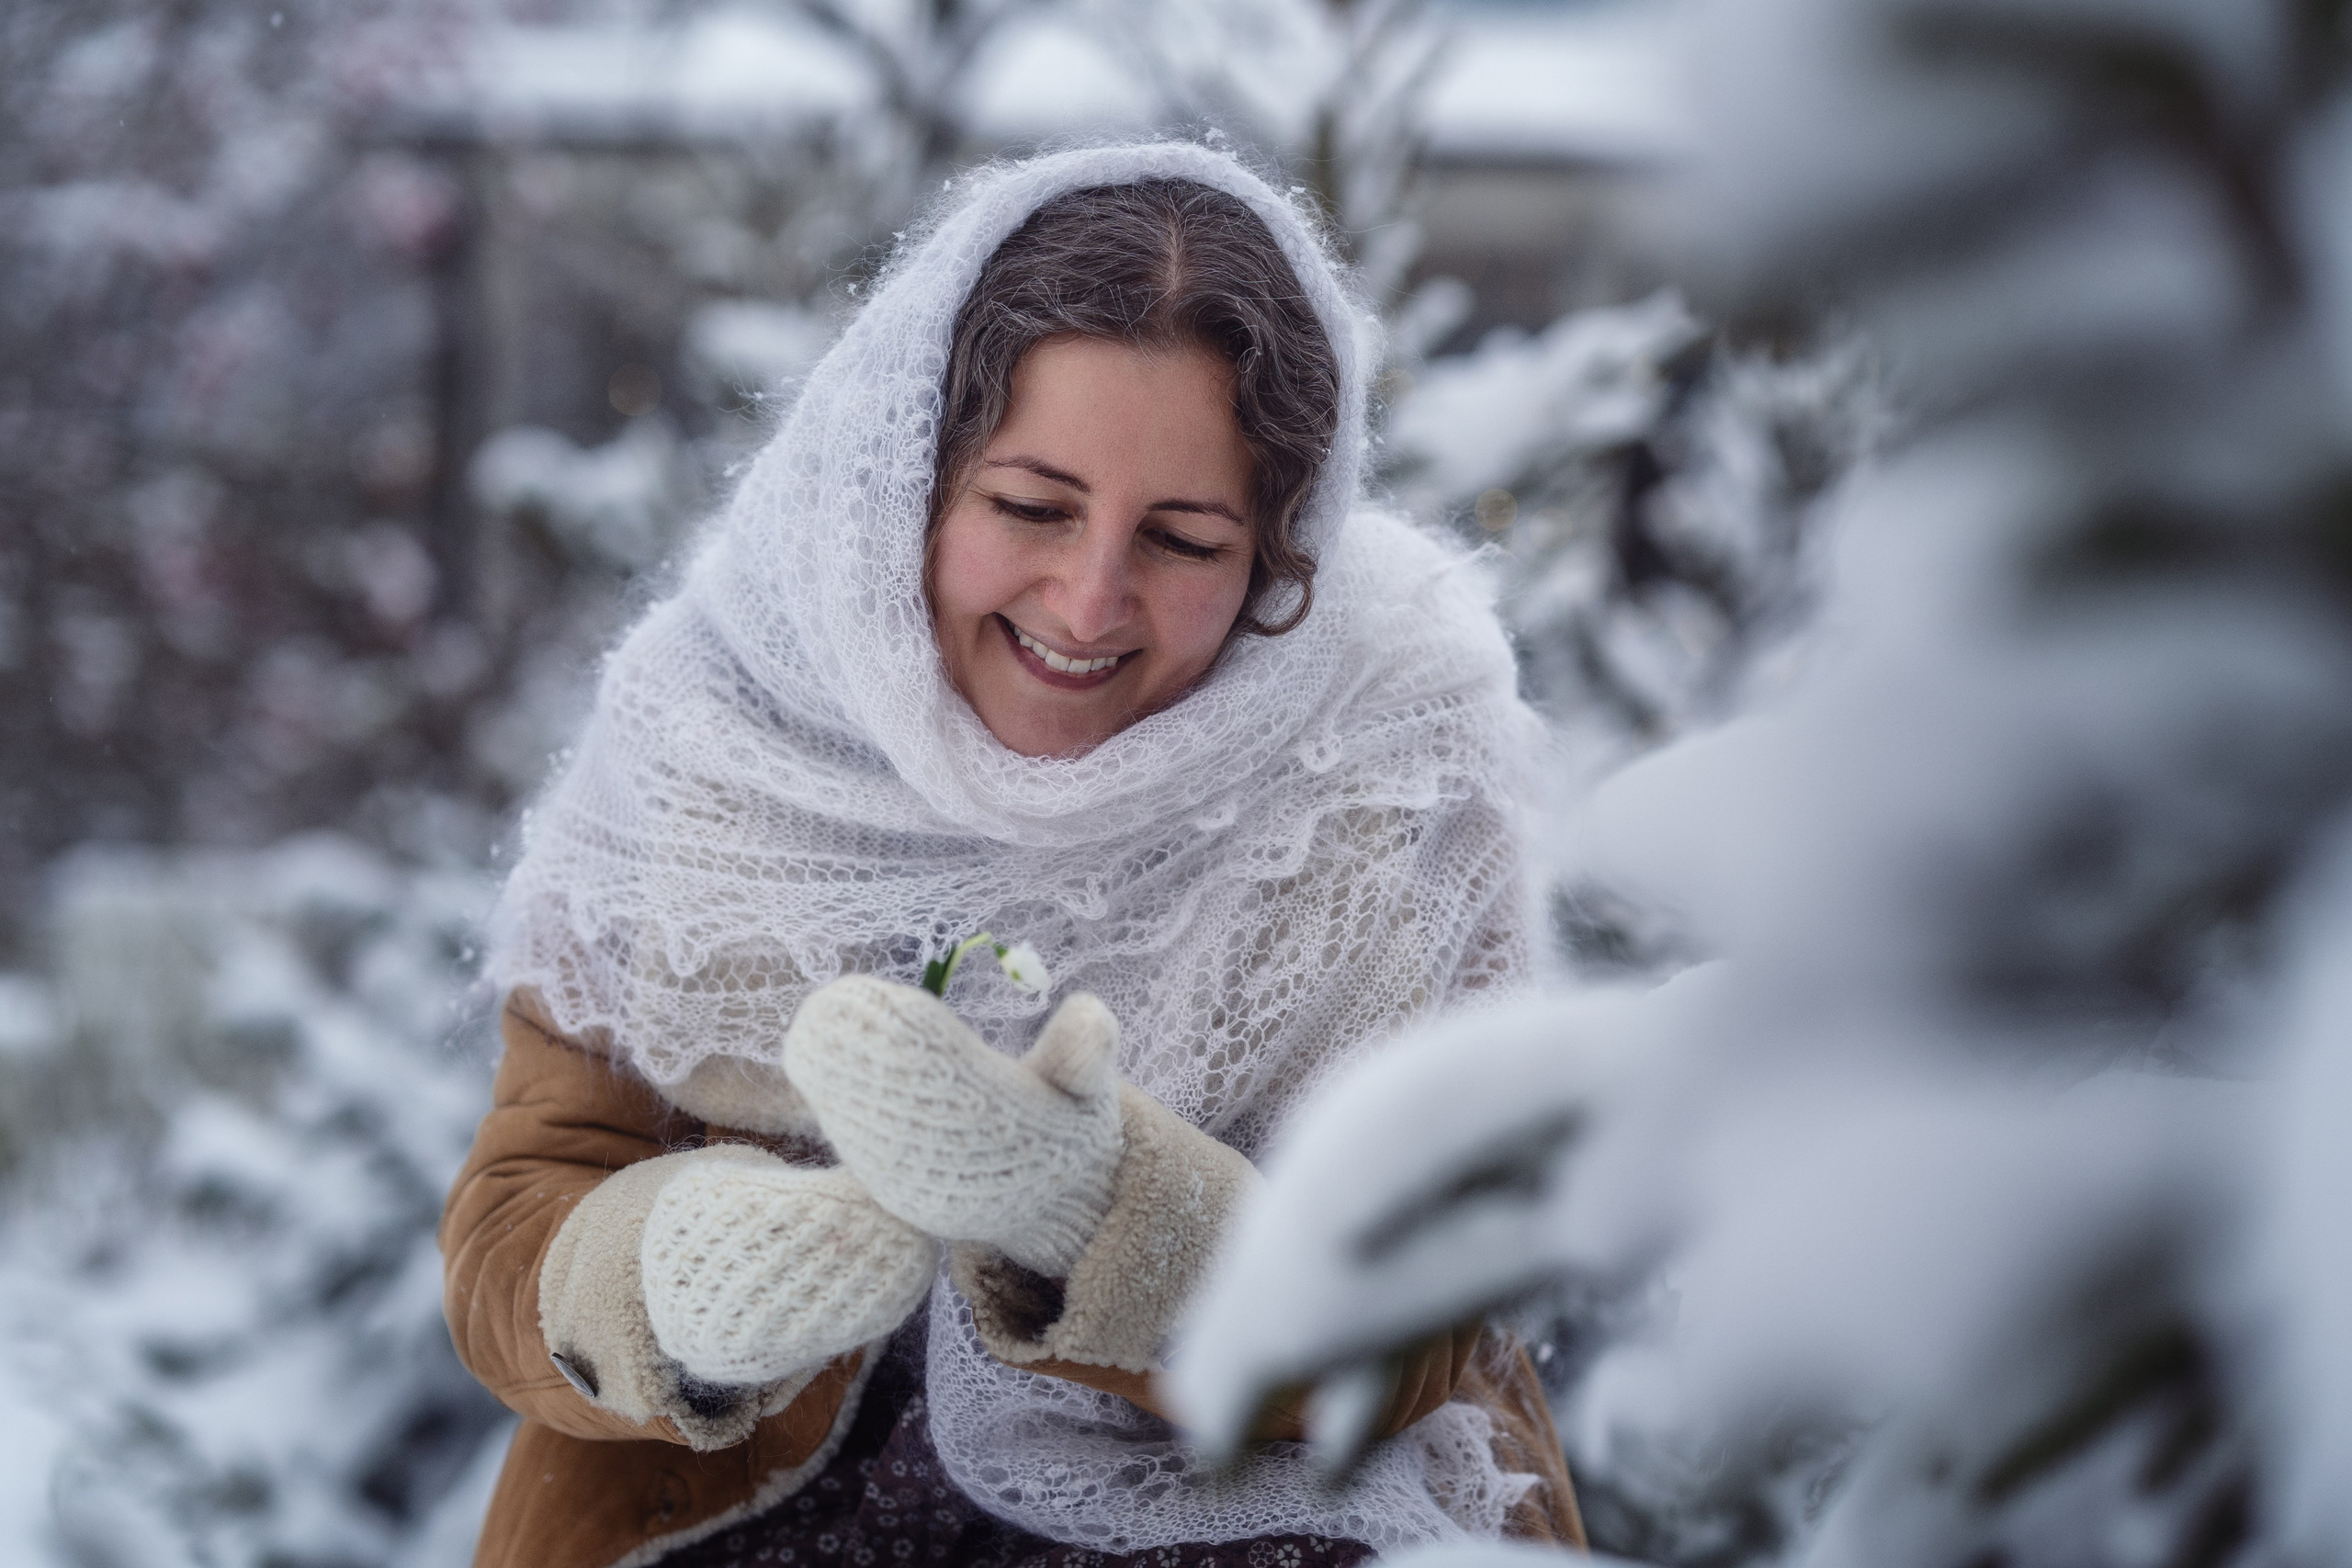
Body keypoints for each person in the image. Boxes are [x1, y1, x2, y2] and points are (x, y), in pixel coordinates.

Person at [441, 141, 1584, 1568]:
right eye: (1031, 507)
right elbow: (518, 1219)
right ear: (905, 481)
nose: (1091, 598)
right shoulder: (720, 725)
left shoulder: (1390, 753)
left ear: (1282, 554)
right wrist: (680, 1278)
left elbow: (1423, 1314)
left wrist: (1095, 1208)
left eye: (1183, 538)